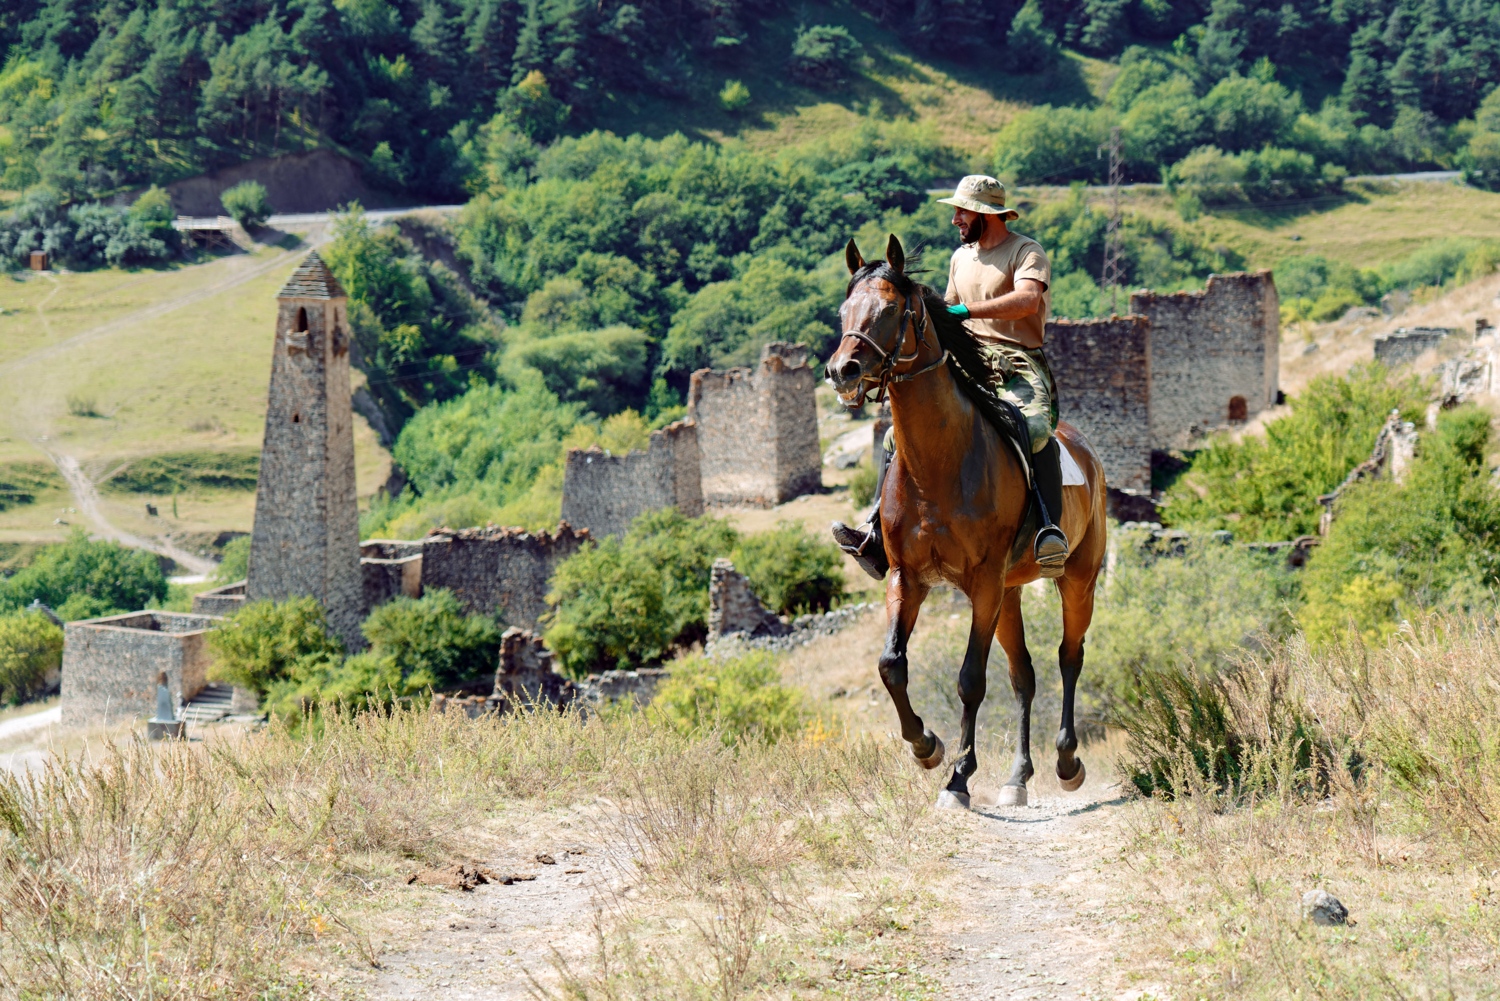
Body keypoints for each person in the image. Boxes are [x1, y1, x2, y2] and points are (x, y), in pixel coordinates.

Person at [831, 174, 1070, 580]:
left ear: (984, 214)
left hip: (1017, 360)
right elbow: (948, 315)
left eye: (962, 211)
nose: (956, 219)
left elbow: (1028, 300)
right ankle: (875, 529)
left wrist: (966, 311)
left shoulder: (1027, 251)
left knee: (1034, 429)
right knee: (895, 435)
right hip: (968, 357)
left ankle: (1049, 530)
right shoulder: (961, 258)